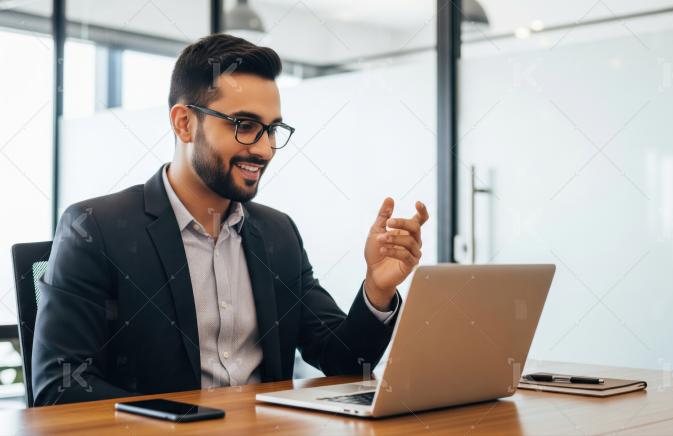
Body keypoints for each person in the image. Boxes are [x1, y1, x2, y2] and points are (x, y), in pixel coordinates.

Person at [31, 33, 428, 406]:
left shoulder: (278, 233)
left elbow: (343, 362)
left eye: (272, 130)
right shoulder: (95, 229)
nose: (264, 149)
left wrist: (376, 289)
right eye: (245, 126)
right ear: (184, 123)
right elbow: (59, 387)